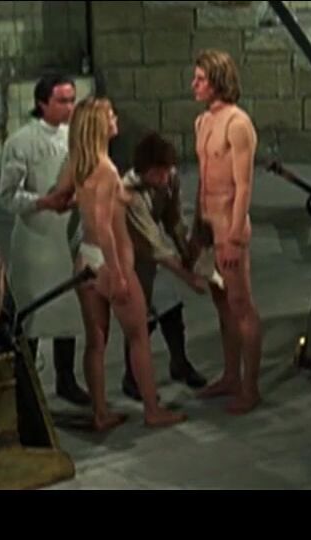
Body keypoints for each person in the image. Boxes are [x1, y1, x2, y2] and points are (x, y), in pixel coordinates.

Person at [55, 97, 187, 430]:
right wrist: (117, 273)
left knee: (96, 341)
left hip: (86, 257)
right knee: (139, 335)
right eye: (110, 115)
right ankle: (153, 410)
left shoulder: (79, 164)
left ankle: (100, 413)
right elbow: (103, 227)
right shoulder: (105, 169)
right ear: (98, 125)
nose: (115, 118)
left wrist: (101, 199)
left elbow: (61, 197)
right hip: (108, 262)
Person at [0, 73, 91, 406]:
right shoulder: (21, 142)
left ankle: (66, 379)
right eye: (62, 100)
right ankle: (25, 387)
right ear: (42, 103)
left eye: (72, 99)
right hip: (35, 240)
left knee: (68, 308)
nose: (70, 106)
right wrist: (43, 202)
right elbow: (7, 196)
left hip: (66, 235)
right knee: (32, 311)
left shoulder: (76, 137)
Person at [189, 49, 263, 415]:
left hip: (229, 227)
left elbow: (244, 186)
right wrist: (196, 229)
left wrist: (234, 237)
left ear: (218, 81)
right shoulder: (202, 122)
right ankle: (231, 375)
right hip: (207, 226)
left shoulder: (238, 123)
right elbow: (203, 180)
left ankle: (250, 388)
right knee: (222, 305)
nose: (194, 85)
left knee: (241, 306)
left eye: (201, 79)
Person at [119, 133, 213, 401]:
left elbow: (173, 218)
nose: (164, 177)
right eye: (157, 173)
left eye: (166, 171)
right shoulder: (129, 193)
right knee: (141, 318)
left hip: (152, 256)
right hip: (131, 256)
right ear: (144, 170)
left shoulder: (169, 178)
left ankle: (179, 363)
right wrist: (188, 277)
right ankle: (132, 378)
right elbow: (153, 244)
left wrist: (187, 253)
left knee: (171, 307)